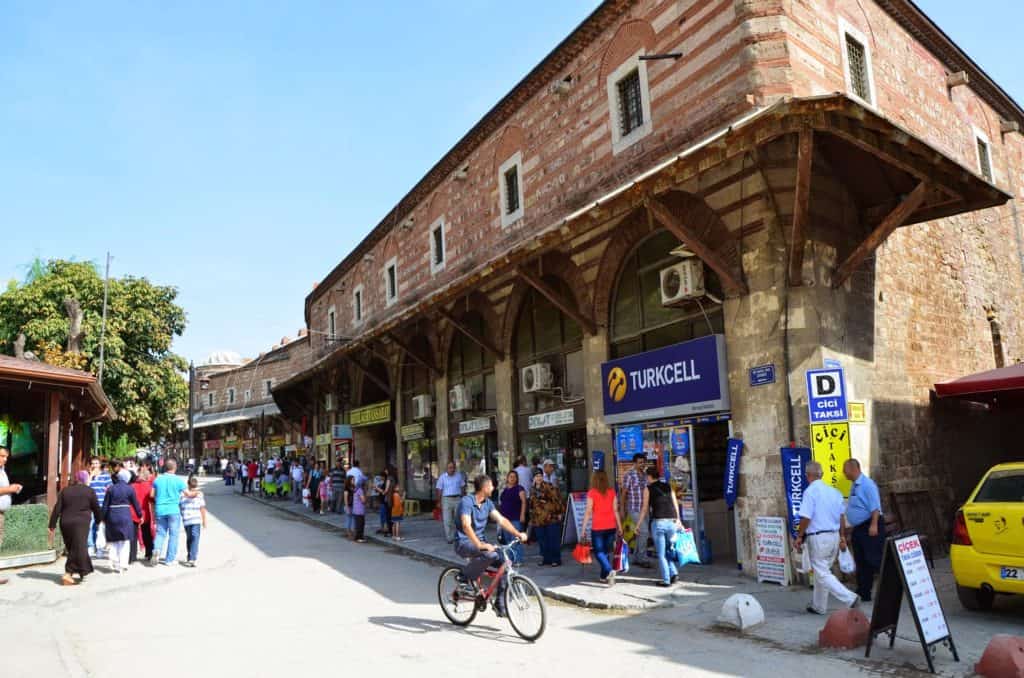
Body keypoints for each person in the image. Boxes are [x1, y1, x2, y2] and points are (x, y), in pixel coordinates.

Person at [455, 474, 529, 618]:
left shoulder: (488, 503)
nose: (493, 488)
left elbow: (501, 520)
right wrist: (480, 545)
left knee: (506, 563)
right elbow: (466, 525)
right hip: (464, 542)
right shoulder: (467, 501)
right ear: (484, 488)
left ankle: (500, 604)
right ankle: (464, 576)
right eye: (491, 485)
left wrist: (517, 533)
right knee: (490, 554)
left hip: (480, 542)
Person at [795, 461, 859, 614]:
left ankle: (850, 597)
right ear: (821, 475)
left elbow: (805, 518)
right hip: (834, 537)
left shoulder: (810, 492)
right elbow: (841, 517)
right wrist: (842, 536)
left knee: (822, 573)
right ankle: (819, 606)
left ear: (807, 476)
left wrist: (799, 536)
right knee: (822, 572)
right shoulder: (834, 492)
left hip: (818, 538)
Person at [48, 470, 102, 585]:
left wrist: (52, 524)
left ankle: (83, 572)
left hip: (65, 523)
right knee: (79, 548)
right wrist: (98, 521)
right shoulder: (89, 491)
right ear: (85, 479)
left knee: (75, 548)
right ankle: (69, 573)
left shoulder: (65, 491)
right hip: (81, 523)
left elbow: (57, 508)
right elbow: (96, 508)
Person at [843, 458, 885, 602]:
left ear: (853, 468)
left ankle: (889, 588)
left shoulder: (867, 485)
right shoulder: (855, 485)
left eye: (845, 469)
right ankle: (863, 591)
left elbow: (875, 508)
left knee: (874, 559)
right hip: (859, 528)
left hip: (869, 526)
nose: (843, 473)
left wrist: (874, 525)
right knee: (861, 560)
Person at [636, 466, 682, 587]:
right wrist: (678, 520)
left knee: (661, 554)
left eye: (646, 476)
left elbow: (645, 508)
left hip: (659, 523)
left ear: (649, 477)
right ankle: (674, 574)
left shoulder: (648, 488)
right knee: (668, 550)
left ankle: (666, 580)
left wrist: (638, 524)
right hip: (672, 522)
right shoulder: (667, 486)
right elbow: (675, 503)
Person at [581, 469, 623, 585]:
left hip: (598, 527)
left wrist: (583, 529)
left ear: (594, 479)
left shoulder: (592, 493)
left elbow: (588, 512)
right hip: (611, 526)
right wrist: (620, 527)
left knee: (599, 552)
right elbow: (615, 510)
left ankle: (609, 571)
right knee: (605, 551)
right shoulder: (612, 492)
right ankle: (603, 576)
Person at [103, 469, 143, 574]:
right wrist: (140, 515)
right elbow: (135, 504)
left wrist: (103, 518)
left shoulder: (111, 489)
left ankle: (113, 561)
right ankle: (123, 564)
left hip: (112, 515)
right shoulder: (130, 489)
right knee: (125, 541)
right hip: (125, 515)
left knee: (114, 539)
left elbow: (105, 505)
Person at [151, 459, 189, 565]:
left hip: (160, 509)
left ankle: (156, 550)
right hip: (173, 510)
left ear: (165, 467)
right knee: (173, 535)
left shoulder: (158, 479)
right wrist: (196, 493)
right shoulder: (178, 480)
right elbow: (187, 494)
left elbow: (151, 495)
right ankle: (170, 559)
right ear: (175, 467)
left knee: (160, 533)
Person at [621, 453, 652, 568]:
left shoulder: (645, 476)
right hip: (634, 508)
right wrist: (622, 509)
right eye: (639, 462)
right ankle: (642, 558)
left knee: (640, 533)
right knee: (644, 532)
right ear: (634, 463)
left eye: (643, 462)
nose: (642, 464)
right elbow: (624, 493)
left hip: (644, 509)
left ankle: (635, 558)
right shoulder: (629, 475)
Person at [529, 470, 563, 567]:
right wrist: (531, 518)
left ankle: (556, 559)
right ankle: (546, 559)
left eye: (540, 476)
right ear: (534, 478)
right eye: (536, 476)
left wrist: (560, 512)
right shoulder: (532, 489)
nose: (538, 478)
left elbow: (558, 499)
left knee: (553, 539)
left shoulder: (549, 486)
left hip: (551, 517)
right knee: (542, 540)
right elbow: (531, 505)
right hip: (538, 519)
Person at [498, 470, 526, 564]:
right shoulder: (505, 489)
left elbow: (524, 502)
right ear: (507, 478)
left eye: (514, 476)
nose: (512, 478)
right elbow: (502, 503)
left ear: (517, 478)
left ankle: (518, 560)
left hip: (515, 518)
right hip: (505, 519)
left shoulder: (519, 488)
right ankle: (510, 559)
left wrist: (522, 514)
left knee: (516, 540)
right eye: (510, 476)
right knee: (507, 541)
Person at [435, 462, 466, 544]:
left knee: (458, 519)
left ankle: (458, 536)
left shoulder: (459, 476)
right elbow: (439, 489)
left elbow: (463, 486)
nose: (451, 469)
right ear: (447, 468)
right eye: (449, 468)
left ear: (455, 468)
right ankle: (449, 537)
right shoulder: (442, 477)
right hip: (446, 499)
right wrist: (438, 501)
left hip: (457, 499)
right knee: (447, 520)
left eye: (452, 468)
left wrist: (463, 498)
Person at [180, 475, 207, 567]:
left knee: (194, 538)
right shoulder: (183, 494)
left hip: (195, 520)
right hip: (188, 520)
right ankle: (190, 556)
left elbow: (202, 508)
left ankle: (192, 558)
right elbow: (180, 507)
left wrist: (204, 520)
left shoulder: (199, 494)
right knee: (190, 539)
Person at [131, 462, 155, 563]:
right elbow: (152, 498)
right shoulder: (148, 486)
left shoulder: (132, 486)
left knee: (133, 535)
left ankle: (132, 556)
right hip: (145, 513)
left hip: (133, 512)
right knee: (147, 534)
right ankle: (149, 553)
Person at [87, 457, 111, 556]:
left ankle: (100, 549)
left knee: (100, 528)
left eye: (96, 463)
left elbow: (109, 490)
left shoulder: (106, 476)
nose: (95, 465)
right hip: (90, 506)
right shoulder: (89, 476)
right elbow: (85, 487)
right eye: (93, 463)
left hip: (102, 505)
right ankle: (91, 546)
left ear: (100, 465)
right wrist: (91, 476)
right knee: (89, 527)